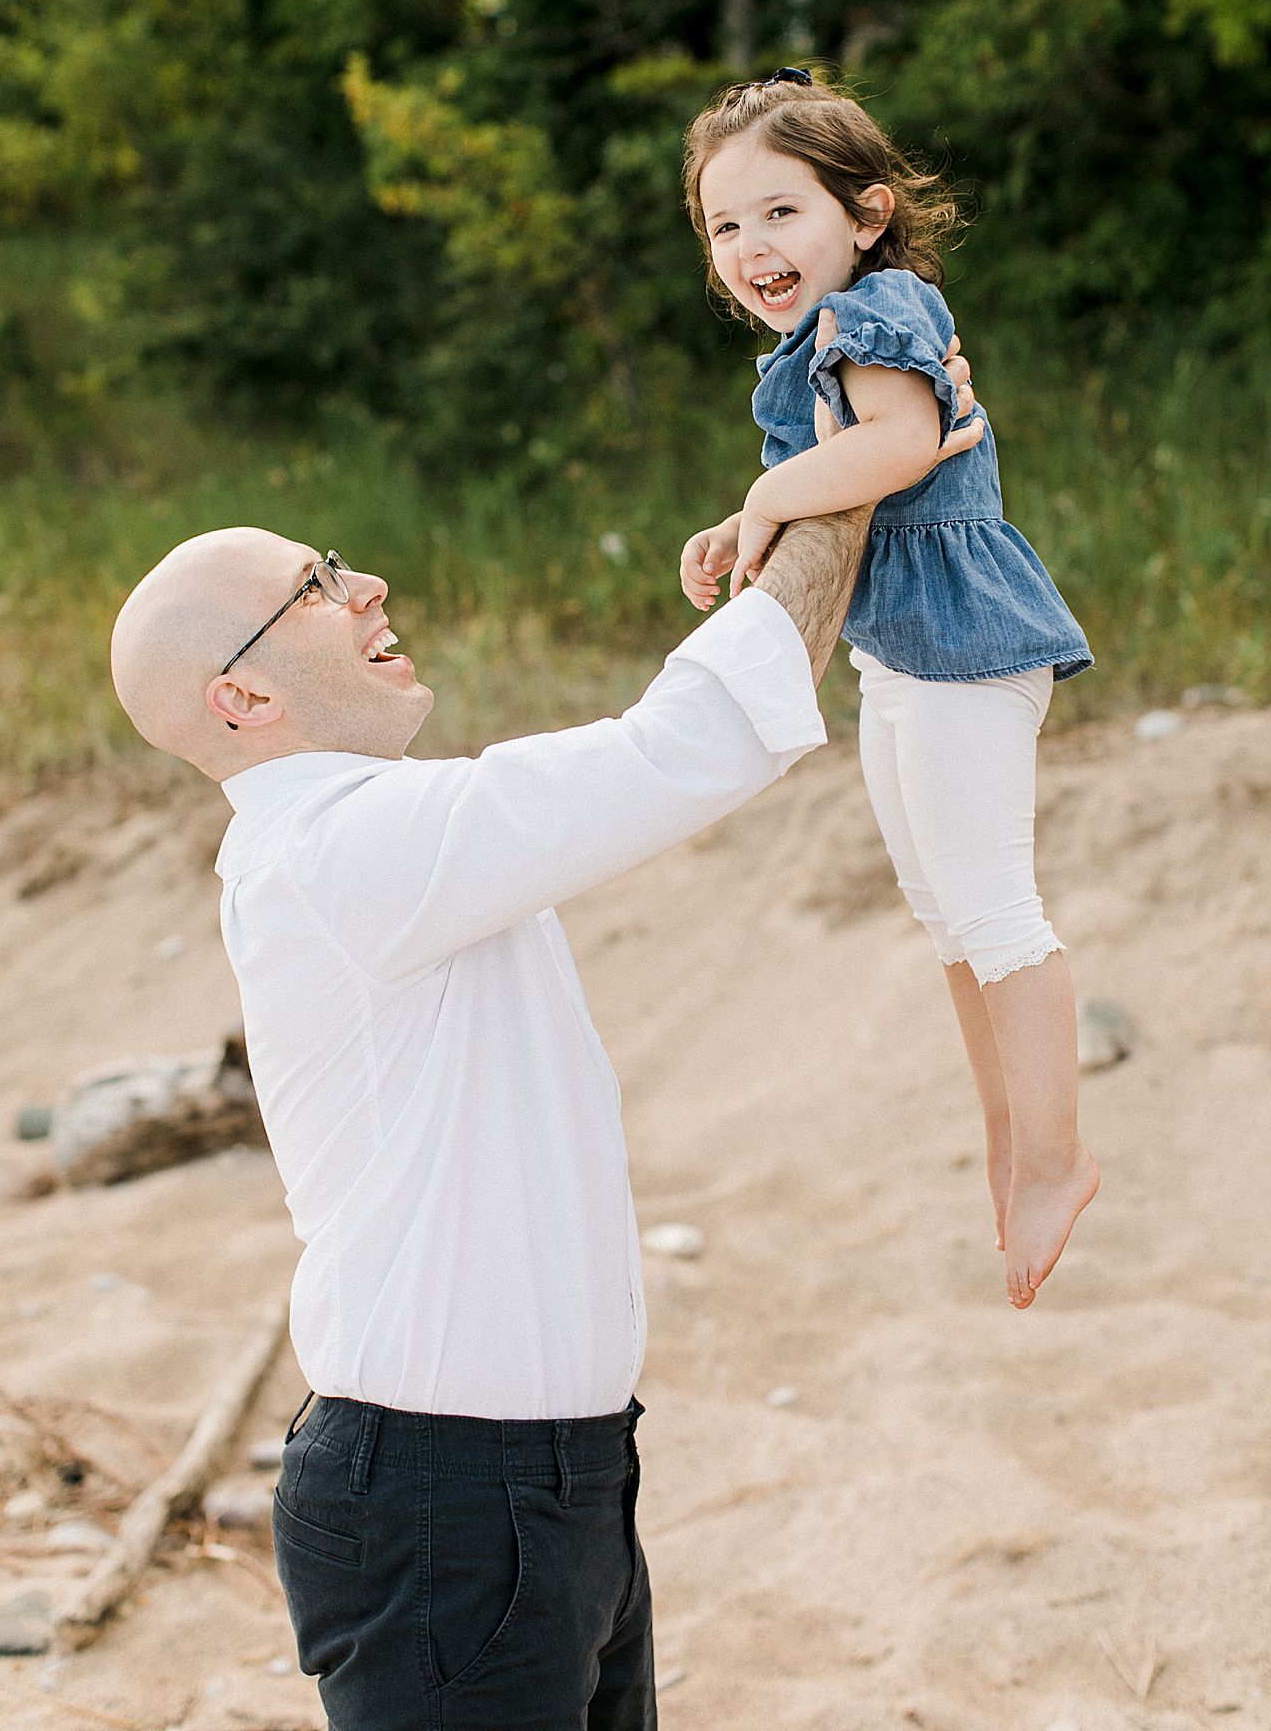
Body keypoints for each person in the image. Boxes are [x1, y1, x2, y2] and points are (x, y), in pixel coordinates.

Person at [107, 354, 978, 1731]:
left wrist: (852, 470)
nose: (368, 587)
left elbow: (669, 751)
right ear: (242, 698)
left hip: (545, 1484)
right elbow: (682, 748)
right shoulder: (342, 851)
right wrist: (855, 475)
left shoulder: (380, 841)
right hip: (448, 1504)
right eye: (315, 588)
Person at [678, 68, 1099, 1312]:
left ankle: (1059, 1159)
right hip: (903, 656)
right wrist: (737, 519)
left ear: (863, 215)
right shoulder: (816, 341)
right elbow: (853, 468)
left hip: (969, 645)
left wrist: (765, 496)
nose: (750, 247)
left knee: (993, 909)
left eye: (778, 212)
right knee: (940, 917)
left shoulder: (884, 306)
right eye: (723, 226)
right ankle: (1010, 1139)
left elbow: (896, 447)